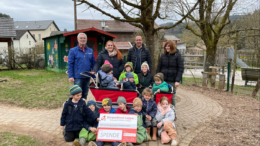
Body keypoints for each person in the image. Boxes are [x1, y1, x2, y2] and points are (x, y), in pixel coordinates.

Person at [156, 40, 184, 108]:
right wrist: (157, 78)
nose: (167, 47)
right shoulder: (163, 56)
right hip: (163, 80)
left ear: (172, 46)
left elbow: (180, 68)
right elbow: (159, 67)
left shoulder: (178, 56)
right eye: (166, 46)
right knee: (162, 95)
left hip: (172, 80)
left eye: (168, 46)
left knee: (172, 96)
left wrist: (177, 80)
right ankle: (162, 111)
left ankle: (173, 112)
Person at [68, 33, 96, 100]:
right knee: (77, 94)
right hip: (78, 77)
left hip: (87, 76)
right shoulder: (73, 51)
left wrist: (94, 76)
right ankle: (76, 108)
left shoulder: (90, 51)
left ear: (86, 39)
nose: (83, 39)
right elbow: (70, 64)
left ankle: (83, 108)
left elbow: (93, 64)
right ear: (78, 39)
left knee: (85, 94)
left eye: (84, 38)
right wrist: (70, 76)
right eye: (81, 38)